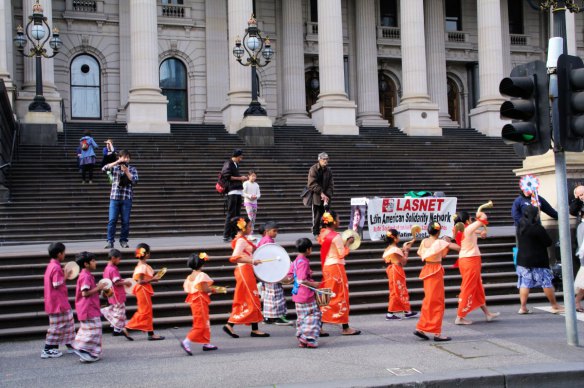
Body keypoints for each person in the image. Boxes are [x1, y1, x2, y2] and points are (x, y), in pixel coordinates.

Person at [223, 216, 270, 338]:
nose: (251, 228)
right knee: (251, 297)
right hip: (244, 270)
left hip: (246, 270)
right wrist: (251, 260)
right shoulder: (241, 241)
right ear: (242, 228)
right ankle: (231, 324)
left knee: (250, 297)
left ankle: (252, 328)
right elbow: (234, 257)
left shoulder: (242, 239)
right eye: (249, 226)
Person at [414, 221, 460, 342]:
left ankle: (422, 328)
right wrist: (450, 242)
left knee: (428, 301)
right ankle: (436, 332)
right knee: (438, 302)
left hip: (427, 269)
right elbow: (458, 248)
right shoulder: (439, 242)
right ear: (438, 231)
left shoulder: (424, 241)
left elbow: (422, 254)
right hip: (435, 271)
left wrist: (445, 244)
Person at [317, 210, 360, 335]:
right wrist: (348, 243)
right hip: (336, 267)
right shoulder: (335, 236)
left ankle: (319, 325)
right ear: (333, 221)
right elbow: (342, 254)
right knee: (341, 295)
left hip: (327, 267)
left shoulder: (322, 233)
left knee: (327, 294)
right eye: (338, 218)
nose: (340, 221)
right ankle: (345, 327)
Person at [516, 206, 565, 315]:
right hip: (538, 260)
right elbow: (548, 242)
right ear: (535, 215)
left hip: (523, 260)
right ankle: (554, 305)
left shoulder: (520, 227)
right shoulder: (537, 228)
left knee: (525, 283)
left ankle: (523, 307)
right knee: (546, 282)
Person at [453, 211, 500, 325]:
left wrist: (481, 232)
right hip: (470, 261)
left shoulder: (462, 229)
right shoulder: (467, 229)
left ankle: (487, 313)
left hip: (468, 260)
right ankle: (459, 317)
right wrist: (480, 213)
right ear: (467, 220)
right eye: (470, 218)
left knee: (477, 287)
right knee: (468, 287)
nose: (472, 220)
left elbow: (474, 230)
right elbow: (483, 218)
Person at [42, 242, 76, 359]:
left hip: (56, 301)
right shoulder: (56, 267)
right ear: (59, 254)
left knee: (68, 322)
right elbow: (57, 283)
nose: (64, 255)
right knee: (57, 326)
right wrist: (66, 276)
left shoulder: (51, 265)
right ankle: (48, 348)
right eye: (63, 253)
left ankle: (70, 344)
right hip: (57, 302)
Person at [180, 252, 219, 356]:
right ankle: (186, 341)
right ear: (201, 264)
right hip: (200, 300)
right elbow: (205, 289)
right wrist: (214, 290)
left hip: (194, 300)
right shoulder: (201, 275)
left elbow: (190, 289)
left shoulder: (189, 276)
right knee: (201, 324)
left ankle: (206, 342)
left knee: (204, 321)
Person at [286, 238, 322, 348]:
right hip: (306, 294)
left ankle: (302, 337)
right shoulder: (305, 262)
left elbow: (290, 275)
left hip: (297, 294)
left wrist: (307, 273)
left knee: (301, 317)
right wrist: (314, 284)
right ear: (308, 249)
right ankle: (309, 338)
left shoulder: (296, 260)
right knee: (313, 315)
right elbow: (302, 279)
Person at [125, 243, 165, 340]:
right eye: (148, 252)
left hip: (143, 290)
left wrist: (153, 279)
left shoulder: (141, 265)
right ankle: (127, 327)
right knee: (144, 312)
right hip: (142, 290)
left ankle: (150, 333)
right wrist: (153, 279)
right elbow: (140, 281)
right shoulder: (142, 266)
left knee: (147, 311)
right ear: (146, 254)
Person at [71, 252, 106, 363]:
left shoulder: (87, 275)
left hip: (89, 307)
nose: (95, 263)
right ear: (86, 264)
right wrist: (99, 287)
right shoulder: (85, 276)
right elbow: (84, 293)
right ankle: (80, 348)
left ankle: (89, 352)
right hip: (88, 308)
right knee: (93, 330)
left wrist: (98, 289)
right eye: (93, 261)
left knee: (89, 330)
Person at [257, 221, 291, 325]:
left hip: (265, 273)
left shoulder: (263, 240)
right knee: (276, 295)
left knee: (269, 296)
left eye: (277, 231)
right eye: (274, 231)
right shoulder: (268, 242)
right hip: (272, 272)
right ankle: (277, 317)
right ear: (267, 231)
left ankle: (268, 317)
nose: (276, 233)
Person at [103, 150, 139, 249]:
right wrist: (117, 162)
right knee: (112, 220)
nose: (125, 159)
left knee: (125, 221)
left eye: (127, 157)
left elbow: (135, 181)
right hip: (114, 198)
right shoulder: (114, 168)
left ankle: (123, 240)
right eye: (123, 157)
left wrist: (126, 171)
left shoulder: (132, 169)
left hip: (126, 199)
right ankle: (110, 241)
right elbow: (104, 168)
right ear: (119, 157)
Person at [382, 229, 418, 320]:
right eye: (398, 236)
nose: (399, 237)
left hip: (393, 270)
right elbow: (403, 261)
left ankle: (407, 311)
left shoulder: (389, 249)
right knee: (397, 291)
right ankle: (390, 314)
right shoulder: (395, 249)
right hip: (396, 270)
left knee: (400, 290)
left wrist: (404, 248)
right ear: (394, 238)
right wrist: (406, 251)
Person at [101, 249, 133, 340]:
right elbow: (116, 282)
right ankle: (118, 329)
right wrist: (126, 283)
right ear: (113, 258)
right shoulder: (113, 269)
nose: (120, 261)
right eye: (119, 259)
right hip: (117, 294)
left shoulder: (107, 268)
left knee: (117, 311)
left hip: (111, 293)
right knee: (120, 313)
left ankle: (117, 330)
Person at [222, 149, 248, 242]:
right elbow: (227, 176)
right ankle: (226, 235)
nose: (241, 159)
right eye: (240, 157)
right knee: (231, 214)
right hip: (232, 192)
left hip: (238, 192)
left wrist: (241, 179)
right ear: (236, 156)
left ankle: (234, 234)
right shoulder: (228, 163)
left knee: (237, 215)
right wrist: (240, 178)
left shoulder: (236, 164)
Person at [307, 152, 334, 237]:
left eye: (327, 159)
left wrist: (327, 195)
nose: (325, 161)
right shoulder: (313, 169)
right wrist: (321, 193)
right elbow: (311, 184)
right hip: (316, 197)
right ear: (319, 160)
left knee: (326, 215)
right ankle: (315, 232)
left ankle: (324, 232)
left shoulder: (328, 170)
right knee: (317, 216)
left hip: (326, 198)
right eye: (324, 159)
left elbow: (331, 184)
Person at [569, 185, 584, 312]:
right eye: (581, 194)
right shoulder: (578, 205)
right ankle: (576, 301)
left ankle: (576, 301)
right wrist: (577, 199)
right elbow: (573, 210)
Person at [243, 170, 260, 235]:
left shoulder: (256, 184)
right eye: (252, 176)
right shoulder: (245, 183)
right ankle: (250, 231)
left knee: (254, 218)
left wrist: (256, 197)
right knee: (250, 217)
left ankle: (251, 230)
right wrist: (250, 196)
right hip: (248, 202)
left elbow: (259, 194)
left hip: (255, 203)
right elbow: (243, 193)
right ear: (249, 176)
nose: (254, 177)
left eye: (255, 176)